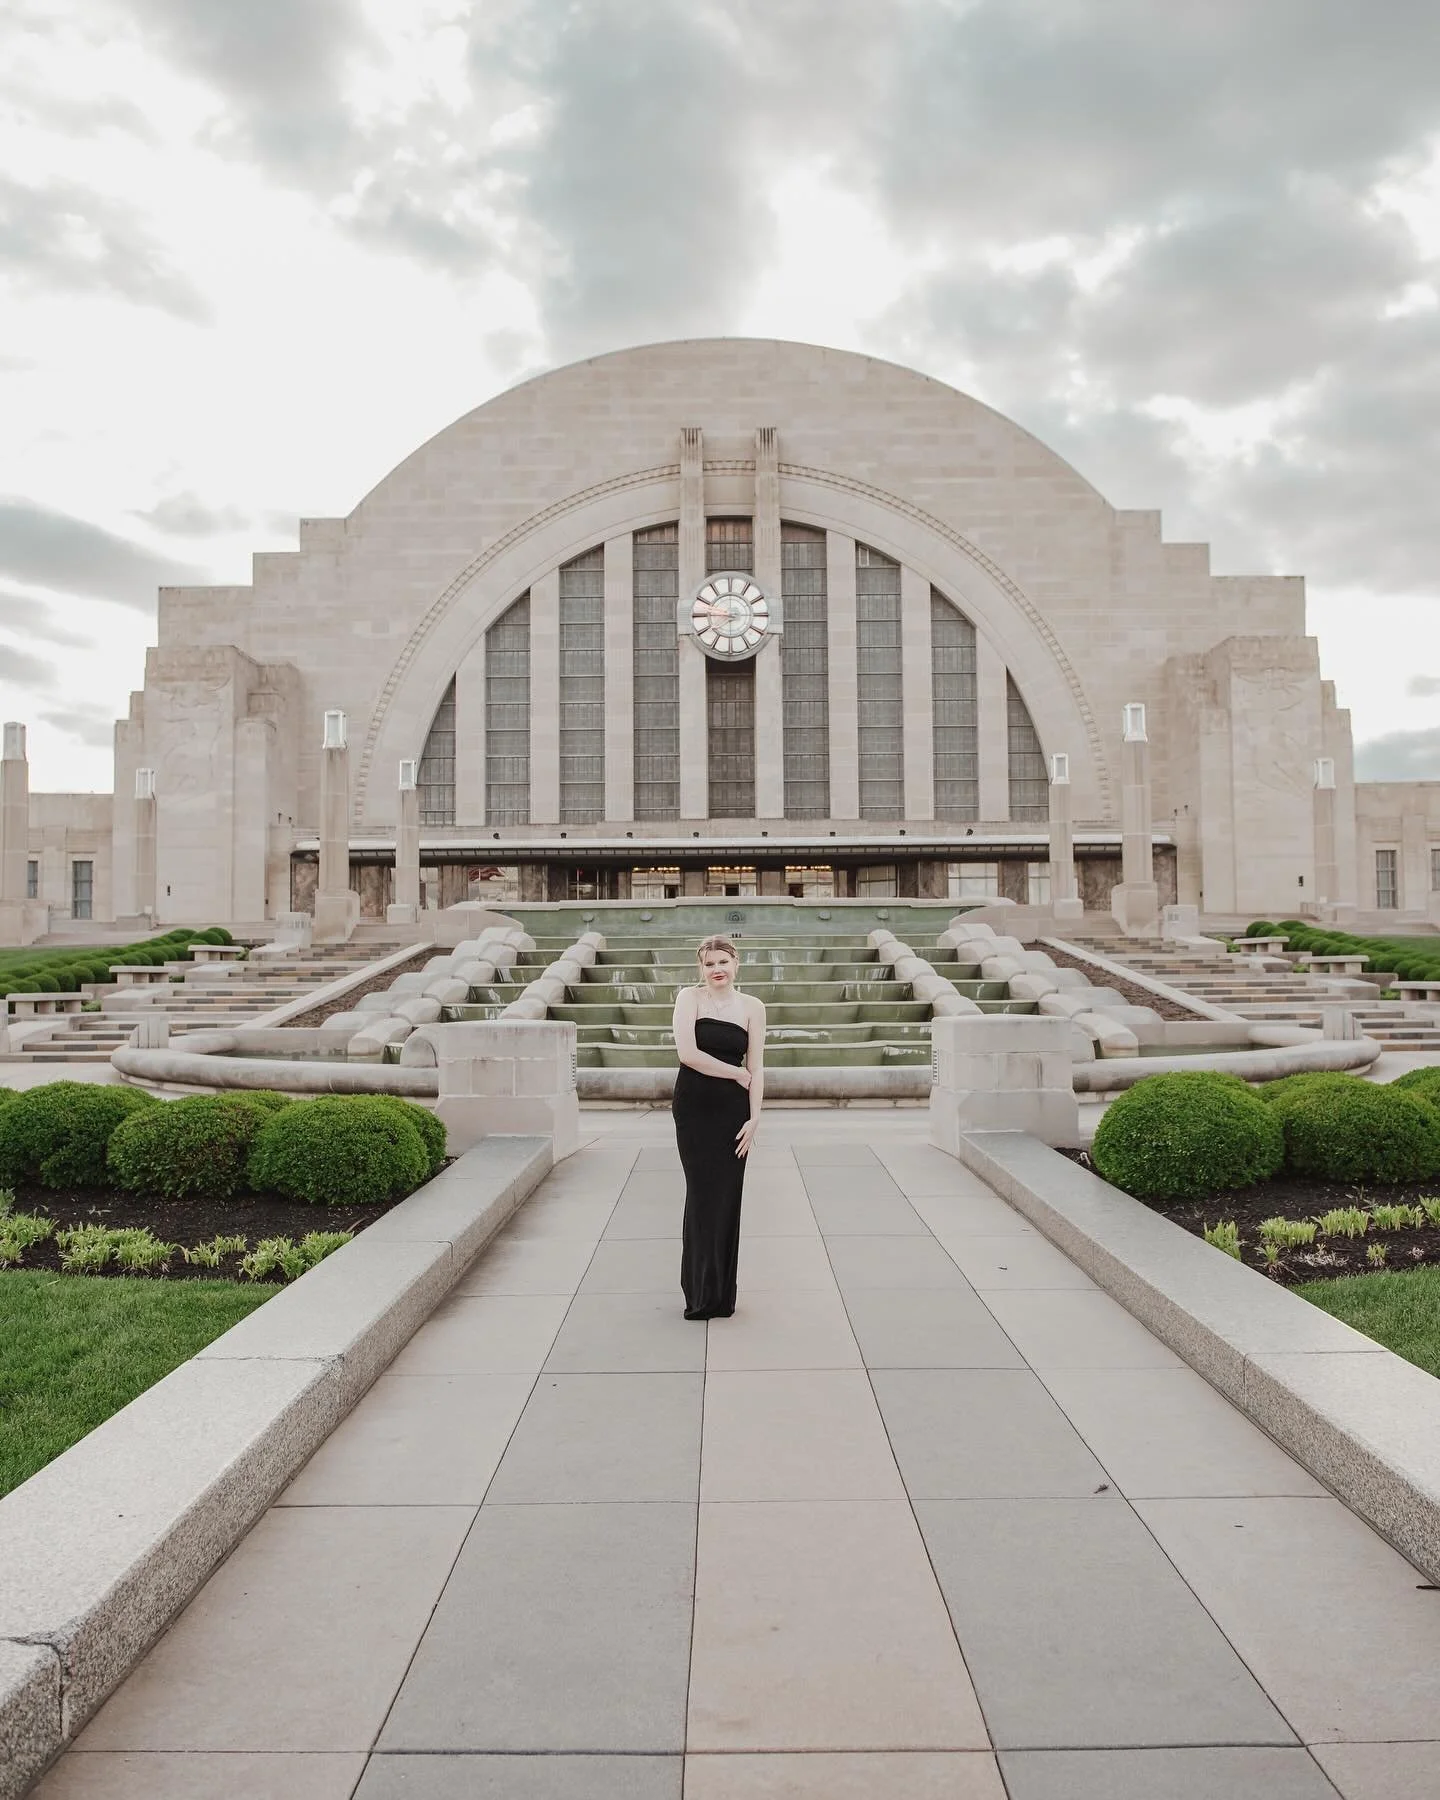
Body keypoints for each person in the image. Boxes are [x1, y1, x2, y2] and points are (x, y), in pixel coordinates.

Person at [670, 934, 766, 1320]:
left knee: (727, 1197)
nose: (717, 970)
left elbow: (757, 1066)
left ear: (736, 963)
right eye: (709, 964)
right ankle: (699, 1294)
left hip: (733, 1113)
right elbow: (688, 1054)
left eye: (723, 962)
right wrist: (736, 1074)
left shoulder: (753, 1007)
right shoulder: (688, 998)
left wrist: (755, 1117)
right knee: (701, 1195)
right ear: (701, 968)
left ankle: (722, 1295)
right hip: (694, 1107)